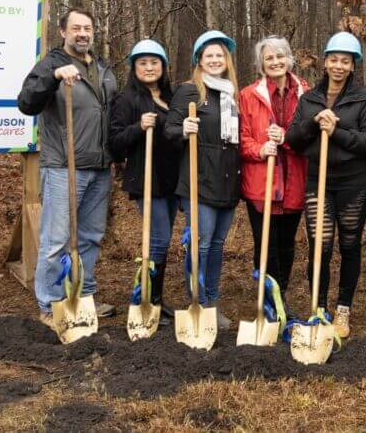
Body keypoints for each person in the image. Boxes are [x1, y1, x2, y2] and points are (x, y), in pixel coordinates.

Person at [18, 8, 118, 325]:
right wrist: (53, 77)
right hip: (64, 166)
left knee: (90, 236)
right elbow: (26, 102)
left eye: (87, 28)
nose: (82, 33)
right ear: (63, 31)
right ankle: (49, 305)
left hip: (100, 165)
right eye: (76, 28)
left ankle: (82, 296)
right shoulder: (51, 64)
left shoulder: (101, 67)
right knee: (56, 239)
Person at [286, 32, 366, 338]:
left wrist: (337, 130)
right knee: (320, 246)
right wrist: (313, 123)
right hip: (319, 182)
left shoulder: (362, 98)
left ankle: (343, 309)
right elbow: (293, 140)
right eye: (334, 60)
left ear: (353, 65)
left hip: (354, 182)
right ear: (324, 62)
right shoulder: (309, 99)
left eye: (345, 61)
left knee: (349, 244)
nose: (339, 66)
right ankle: (319, 307)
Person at [163, 30, 242, 330]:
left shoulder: (232, 94)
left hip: (227, 180)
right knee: (202, 244)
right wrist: (184, 126)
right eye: (208, 55)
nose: (214, 60)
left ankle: (213, 300)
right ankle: (200, 302)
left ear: (226, 60)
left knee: (218, 245)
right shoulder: (189, 92)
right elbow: (169, 130)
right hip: (199, 180)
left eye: (219, 55)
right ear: (199, 59)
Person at [108, 39, 181, 323]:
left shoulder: (172, 97)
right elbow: (114, 142)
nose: (149, 68)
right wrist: (139, 127)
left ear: (163, 67)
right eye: (143, 63)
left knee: (162, 241)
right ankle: (148, 300)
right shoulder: (127, 100)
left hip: (171, 179)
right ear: (134, 67)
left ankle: (158, 300)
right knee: (158, 240)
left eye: (154, 63)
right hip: (146, 178)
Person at [238, 36, 309, 314]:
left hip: (294, 181)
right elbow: (241, 139)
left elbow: (309, 136)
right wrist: (260, 149)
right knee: (265, 245)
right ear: (261, 64)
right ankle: (267, 302)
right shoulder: (248, 95)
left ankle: (281, 299)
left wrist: (286, 138)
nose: (276, 62)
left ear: (289, 58)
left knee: (286, 245)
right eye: (269, 58)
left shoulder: (306, 92)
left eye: (280, 56)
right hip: (261, 184)